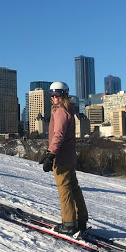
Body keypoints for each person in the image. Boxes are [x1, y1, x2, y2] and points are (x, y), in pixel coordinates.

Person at [39, 81, 89, 235]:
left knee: (64, 189)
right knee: (73, 187)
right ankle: (81, 219)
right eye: (52, 95)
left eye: (57, 94)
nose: (54, 98)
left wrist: (51, 154)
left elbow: (58, 135)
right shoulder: (68, 110)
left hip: (61, 157)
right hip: (69, 155)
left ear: (63, 95)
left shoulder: (61, 111)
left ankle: (68, 223)